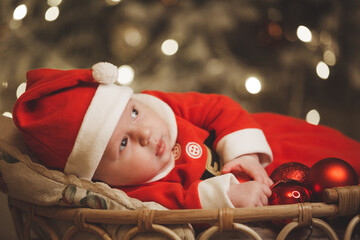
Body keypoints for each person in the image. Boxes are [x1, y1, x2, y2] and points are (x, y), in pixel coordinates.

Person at [13, 62, 360, 210]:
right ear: (101, 177)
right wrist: (228, 197)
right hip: (247, 190)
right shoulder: (137, 190)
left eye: (133, 113)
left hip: (256, 141)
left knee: (329, 151)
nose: (146, 134)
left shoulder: (161, 105)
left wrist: (244, 152)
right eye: (122, 143)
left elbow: (217, 107)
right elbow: (177, 204)